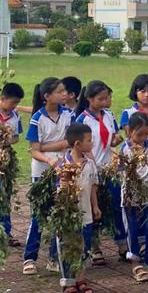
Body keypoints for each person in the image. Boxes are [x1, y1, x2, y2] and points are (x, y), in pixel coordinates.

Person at [23, 77, 71, 275]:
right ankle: (29, 258)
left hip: (64, 170)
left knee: (60, 213)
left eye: (64, 91)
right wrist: (50, 157)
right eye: (60, 92)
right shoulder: (38, 118)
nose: (64, 95)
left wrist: (51, 147)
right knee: (38, 215)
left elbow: (69, 141)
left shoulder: (68, 114)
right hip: (42, 172)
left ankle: (54, 257)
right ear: (47, 96)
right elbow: (34, 150)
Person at [75, 81, 127, 264]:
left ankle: (122, 245)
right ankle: (95, 248)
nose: (105, 102)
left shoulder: (109, 115)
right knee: (93, 208)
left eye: (106, 98)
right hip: (90, 169)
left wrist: (116, 139)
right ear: (89, 99)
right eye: (101, 99)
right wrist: (93, 165)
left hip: (109, 169)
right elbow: (80, 146)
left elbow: (111, 139)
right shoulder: (82, 119)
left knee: (115, 206)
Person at [120, 112, 148, 282]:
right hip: (131, 198)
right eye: (139, 134)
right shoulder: (124, 149)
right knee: (132, 230)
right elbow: (125, 174)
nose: (142, 138)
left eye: (146, 134)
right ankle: (136, 264)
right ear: (129, 131)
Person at [57, 123, 100, 293]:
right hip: (68, 215)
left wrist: (95, 206)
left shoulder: (89, 164)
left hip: (86, 214)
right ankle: (68, 281)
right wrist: (65, 184)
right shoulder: (63, 166)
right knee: (68, 246)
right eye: (89, 140)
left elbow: (92, 187)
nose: (92, 143)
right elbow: (58, 192)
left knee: (85, 246)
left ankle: (81, 278)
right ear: (77, 144)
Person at [0, 82, 24, 246]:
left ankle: (5, 232)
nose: (15, 106)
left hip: (5, 160)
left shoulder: (15, 116)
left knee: (5, 195)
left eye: (17, 103)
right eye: (13, 102)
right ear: (3, 98)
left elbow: (17, 137)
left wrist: (9, 140)